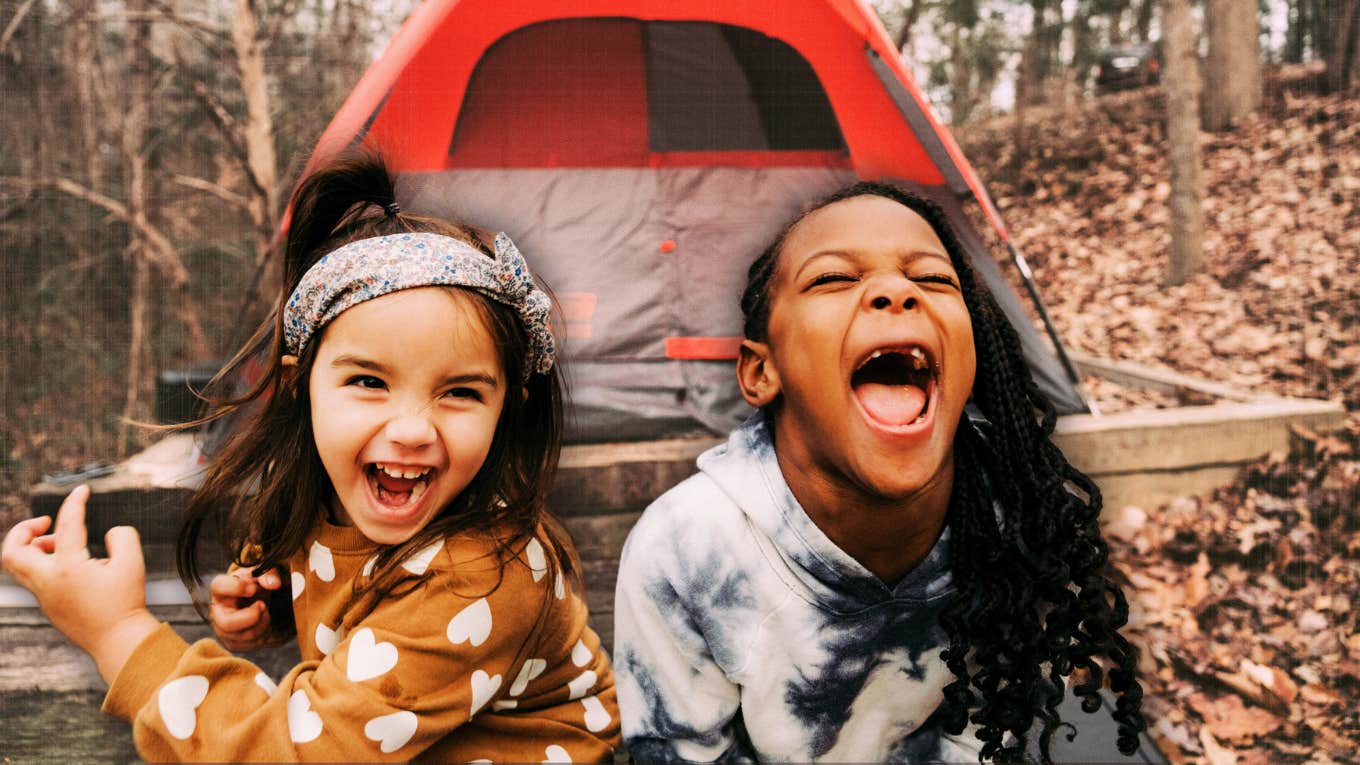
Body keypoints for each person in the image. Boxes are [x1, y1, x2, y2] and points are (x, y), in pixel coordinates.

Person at [2, 153, 620, 762]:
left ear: (508, 405)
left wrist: (117, 634)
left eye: (460, 392)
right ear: (301, 384)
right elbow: (356, 600)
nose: (411, 430)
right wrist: (270, 605)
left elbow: (289, 753)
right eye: (369, 382)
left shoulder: (481, 573)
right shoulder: (323, 498)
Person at [612, 182, 1145, 763]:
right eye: (833, 278)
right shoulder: (685, 549)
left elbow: (985, 735)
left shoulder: (1017, 513)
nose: (896, 290)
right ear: (761, 371)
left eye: (934, 279)